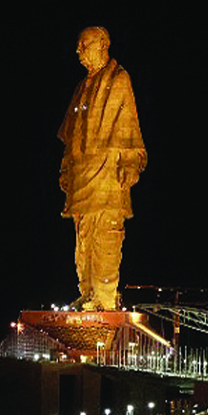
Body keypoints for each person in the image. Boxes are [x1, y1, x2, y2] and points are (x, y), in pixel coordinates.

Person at [58, 26, 147, 311]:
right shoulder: (81, 87)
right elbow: (70, 134)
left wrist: (131, 161)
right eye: (79, 45)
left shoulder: (119, 79)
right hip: (82, 173)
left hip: (108, 172)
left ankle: (104, 296)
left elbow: (129, 125)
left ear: (102, 44)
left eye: (84, 45)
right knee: (83, 236)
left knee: (106, 234)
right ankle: (87, 291)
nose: (79, 51)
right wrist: (65, 169)